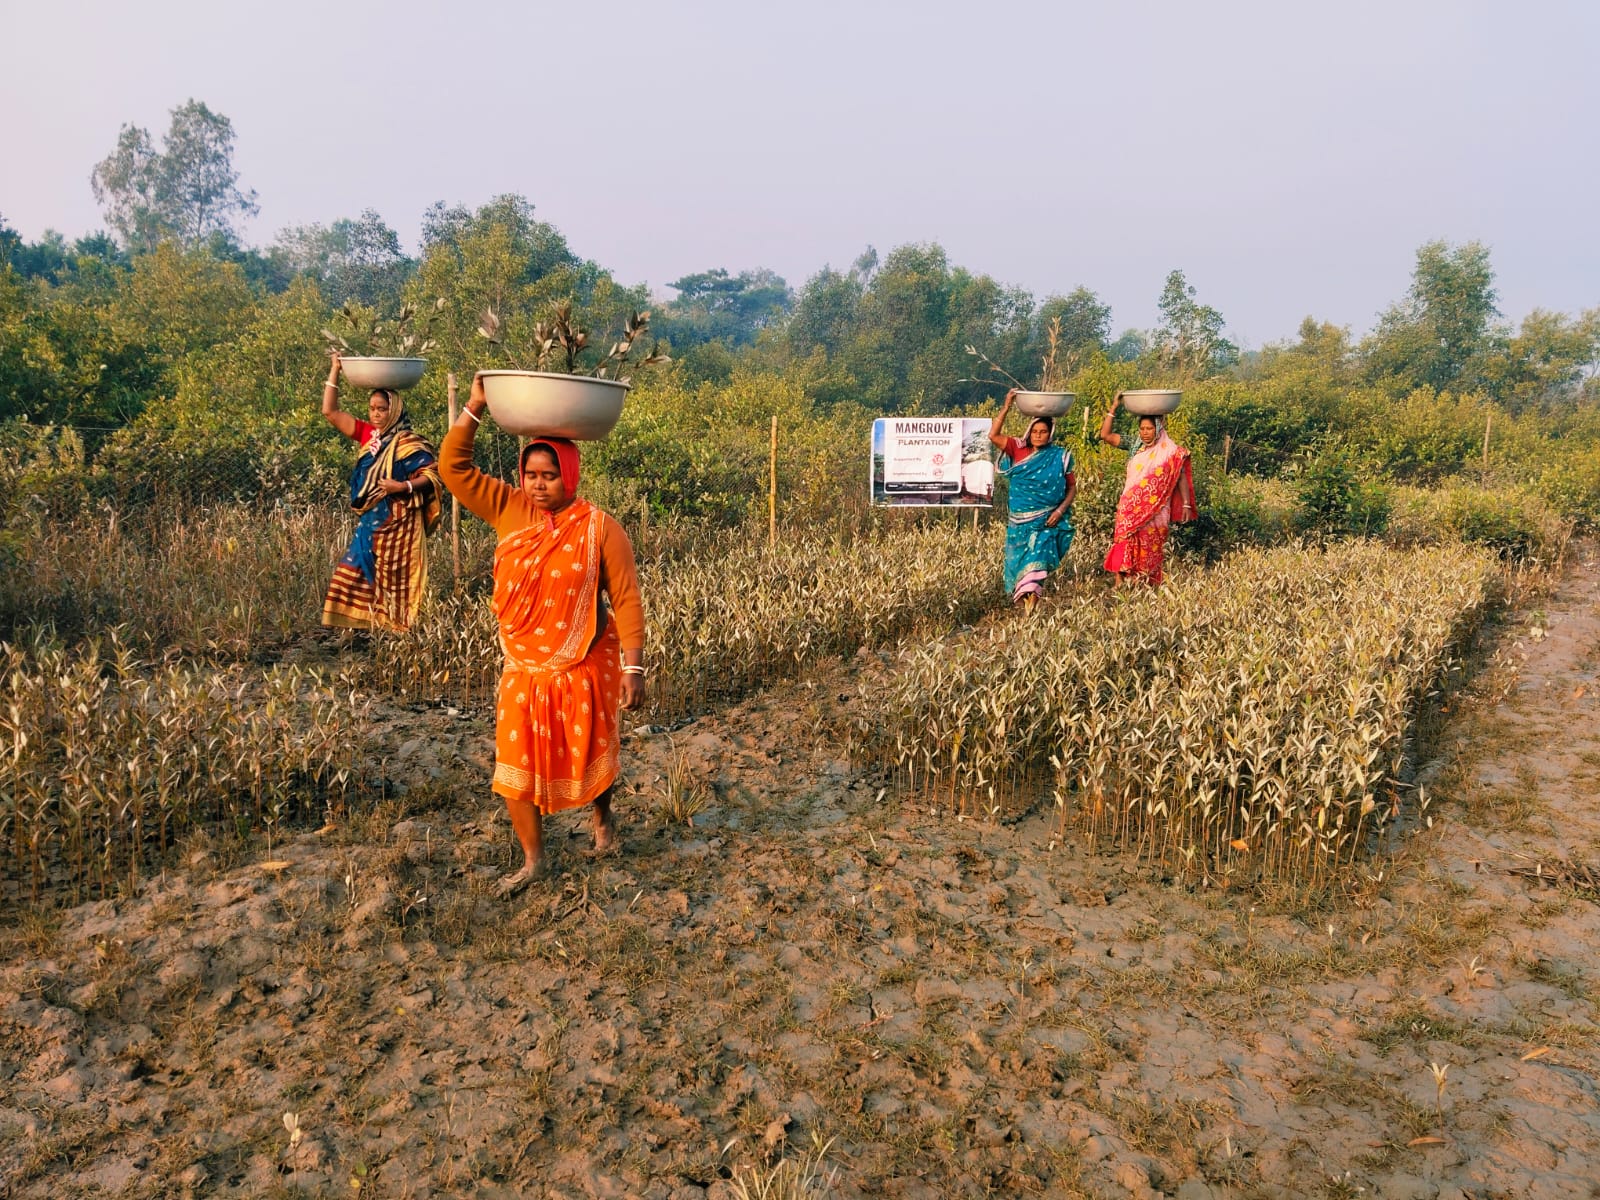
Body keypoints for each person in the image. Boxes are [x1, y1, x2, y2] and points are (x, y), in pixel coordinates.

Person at [440, 374, 646, 892]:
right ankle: (535, 860)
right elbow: (453, 468)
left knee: (592, 746)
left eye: (549, 475)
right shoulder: (508, 508)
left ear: (570, 475)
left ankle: (603, 822)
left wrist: (634, 666)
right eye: (530, 473)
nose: (537, 483)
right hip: (522, 667)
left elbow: (625, 598)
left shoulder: (602, 528)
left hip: (584, 661)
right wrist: (475, 405)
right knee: (515, 760)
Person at [320, 352, 442, 631]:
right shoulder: (369, 436)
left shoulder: (409, 442)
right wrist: (335, 369)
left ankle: (397, 631)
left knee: (396, 577)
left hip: (400, 521)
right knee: (355, 567)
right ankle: (359, 628)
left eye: (381, 409)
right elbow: (330, 412)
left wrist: (403, 486)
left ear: (395, 410)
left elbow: (432, 475)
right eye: (372, 408)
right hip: (371, 521)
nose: (375, 414)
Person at [1097, 392, 1198, 586]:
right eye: (1142, 429)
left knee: (1150, 544)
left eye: (1149, 429)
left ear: (1158, 429)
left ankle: (1144, 583)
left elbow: (1181, 477)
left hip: (1157, 509)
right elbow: (1105, 435)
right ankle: (1120, 580)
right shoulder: (1135, 445)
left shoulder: (1170, 451)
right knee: (1123, 538)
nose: (1145, 432)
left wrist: (1186, 504)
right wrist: (1114, 407)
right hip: (1130, 505)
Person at [988, 388, 1077, 608]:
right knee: (1020, 565)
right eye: (1035, 431)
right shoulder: (1017, 449)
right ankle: (1024, 606)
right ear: (1029, 431)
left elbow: (1072, 488)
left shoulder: (1060, 456)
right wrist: (1007, 405)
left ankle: (1032, 607)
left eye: (1043, 431)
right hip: (1019, 521)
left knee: (1037, 565)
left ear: (1050, 434)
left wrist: (1059, 511)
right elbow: (993, 436)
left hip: (1047, 519)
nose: (1038, 435)